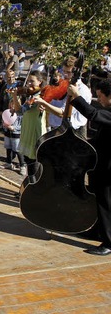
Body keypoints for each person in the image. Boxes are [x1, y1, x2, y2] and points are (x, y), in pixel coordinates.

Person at [69, 79, 111, 256]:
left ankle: (109, 242)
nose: (99, 99)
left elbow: (93, 114)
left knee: (106, 203)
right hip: (99, 164)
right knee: (96, 198)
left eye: (101, 96)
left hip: (109, 169)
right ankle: (96, 230)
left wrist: (77, 97)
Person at [34, 55, 92, 139]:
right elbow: (53, 105)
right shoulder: (62, 85)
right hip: (56, 129)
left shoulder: (82, 90)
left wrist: (45, 104)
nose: (65, 74)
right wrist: (44, 106)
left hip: (73, 132)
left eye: (69, 72)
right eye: (64, 71)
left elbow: (63, 113)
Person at [12, 70, 48, 178]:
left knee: (33, 162)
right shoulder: (31, 95)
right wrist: (15, 96)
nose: (29, 84)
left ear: (40, 82)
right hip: (28, 128)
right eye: (28, 81)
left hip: (35, 130)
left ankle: (33, 188)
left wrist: (15, 96)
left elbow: (20, 111)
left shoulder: (38, 96)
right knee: (29, 160)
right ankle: (30, 184)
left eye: (32, 81)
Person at [0, 99, 23, 171]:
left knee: (18, 150)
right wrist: (4, 125)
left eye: (14, 104)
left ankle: (22, 166)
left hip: (16, 134)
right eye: (11, 104)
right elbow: (4, 120)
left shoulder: (21, 113)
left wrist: (14, 128)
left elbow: (23, 125)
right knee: (8, 148)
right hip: (7, 133)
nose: (12, 106)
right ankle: (8, 163)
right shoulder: (7, 112)